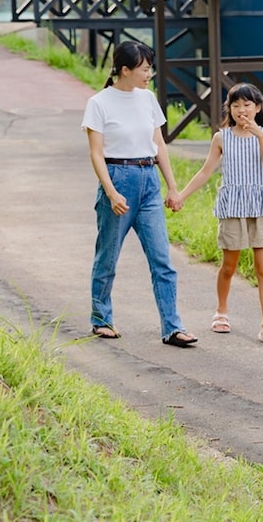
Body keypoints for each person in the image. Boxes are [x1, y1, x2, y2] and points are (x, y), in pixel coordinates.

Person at [81, 40, 198, 348]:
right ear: (125, 70)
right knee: (107, 257)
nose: (150, 74)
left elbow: (159, 145)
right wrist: (111, 192)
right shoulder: (99, 103)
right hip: (117, 179)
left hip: (149, 182)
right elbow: (96, 154)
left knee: (163, 260)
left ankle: (172, 327)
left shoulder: (147, 99)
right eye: (145, 69)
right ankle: (101, 319)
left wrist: (172, 187)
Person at [168, 82, 263, 345]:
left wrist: (258, 134)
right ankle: (221, 311)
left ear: (258, 108)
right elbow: (205, 171)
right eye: (236, 105)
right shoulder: (222, 137)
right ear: (229, 109)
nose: (242, 110)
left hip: (261, 206)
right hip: (232, 208)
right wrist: (181, 196)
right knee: (229, 266)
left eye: (247, 105)